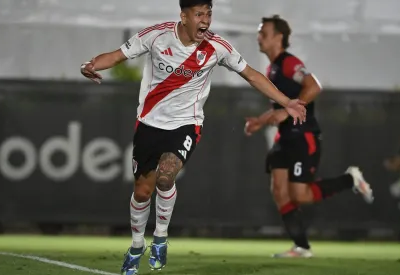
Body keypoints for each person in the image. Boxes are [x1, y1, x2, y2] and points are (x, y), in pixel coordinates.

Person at [80, 1, 307, 274]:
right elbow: (117, 55)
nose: (206, 20)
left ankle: (161, 238)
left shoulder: (217, 47)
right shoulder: (156, 36)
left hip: (186, 124)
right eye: (200, 14)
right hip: (148, 124)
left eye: (209, 14)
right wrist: (92, 64)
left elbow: (252, 75)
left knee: (166, 176)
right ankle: (137, 245)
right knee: (142, 192)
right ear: (184, 16)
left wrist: (286, 102)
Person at [244, 15, 374, 258]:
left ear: (278, 37)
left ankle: (350, 180)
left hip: (303, 136)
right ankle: (301, 247)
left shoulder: (288, 63)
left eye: (264, 32)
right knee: (279, 192)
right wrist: (259, 122)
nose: (258, 37)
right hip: (284, 138)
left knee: (299, 195)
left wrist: (289, 109)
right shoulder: (271, 69)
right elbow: (278, 110)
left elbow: (313, 86)